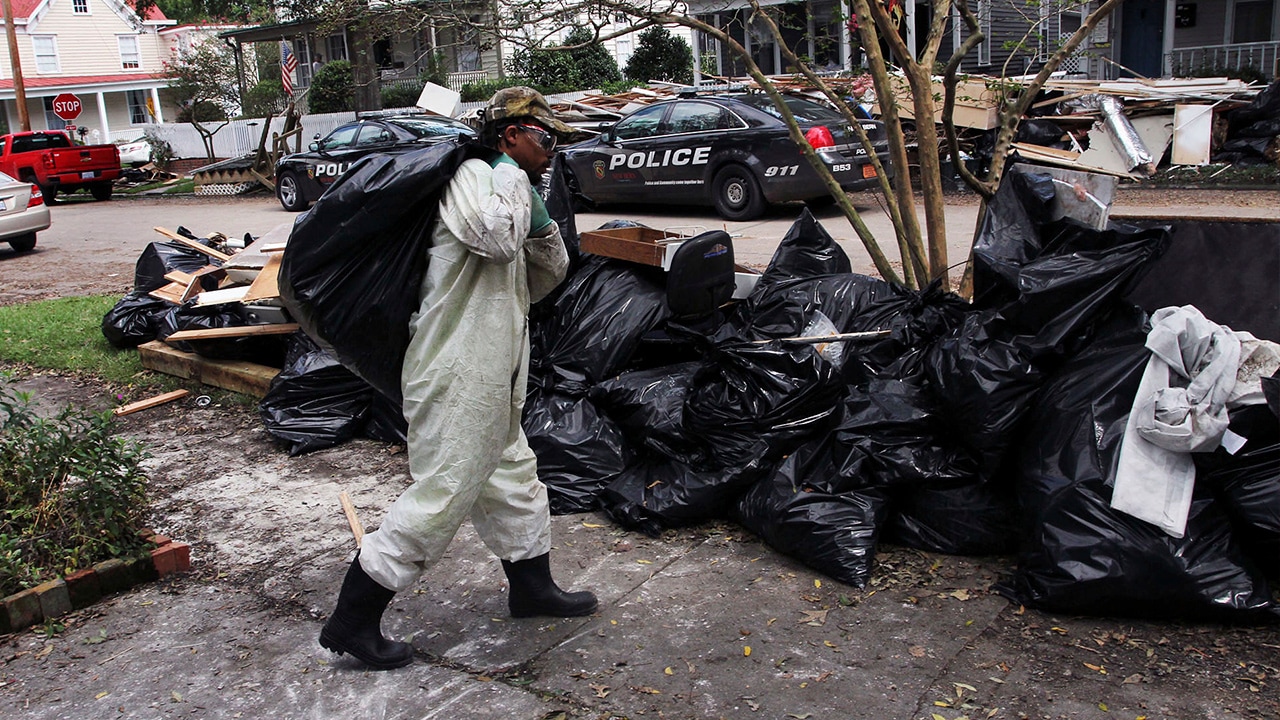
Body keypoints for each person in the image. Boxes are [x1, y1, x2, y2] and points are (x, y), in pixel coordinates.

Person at [318, 87, 596, 670]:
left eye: (555, 142)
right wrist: (514, 178)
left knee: (514, 477)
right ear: (509, 134)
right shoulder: (474, 176)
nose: (551, 151)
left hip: (495, 366)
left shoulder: (510, 187)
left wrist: (541, 220)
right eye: (543, 138)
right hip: (455, 367)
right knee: (444, 490)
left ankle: (532, 588)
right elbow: (495, 241)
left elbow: (544, 275)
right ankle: (353, 619)